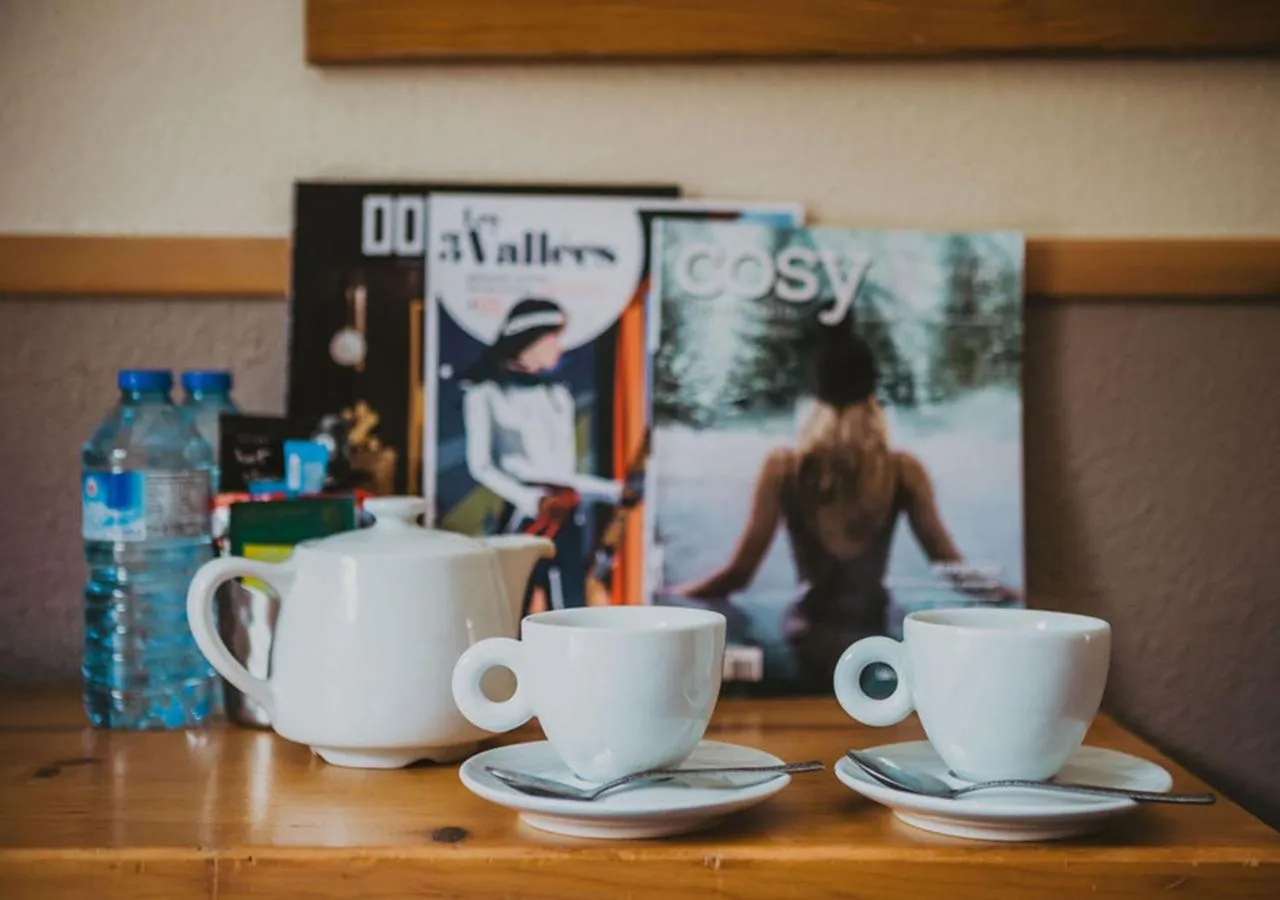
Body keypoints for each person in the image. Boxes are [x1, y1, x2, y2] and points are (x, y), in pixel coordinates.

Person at [672, 318, 1019, 692]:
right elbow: (954, 572)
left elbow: (738, 575)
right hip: (876, 639)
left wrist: (672, 596)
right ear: (873, 396)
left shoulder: (784, 469)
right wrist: (1014, 598)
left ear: (813, 398)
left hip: (807, 637)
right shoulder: (902, 471)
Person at [460, 297, 625, 614]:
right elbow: (481, 466)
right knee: (513, 603)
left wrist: (613, 490)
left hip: (566, 514)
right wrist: (533, 501)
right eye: (553, 338)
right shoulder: (485, 393)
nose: (559, 347)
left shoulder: (558, 395)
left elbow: (560, 471)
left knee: (572, 607)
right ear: (530, 339)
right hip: (524, 518)